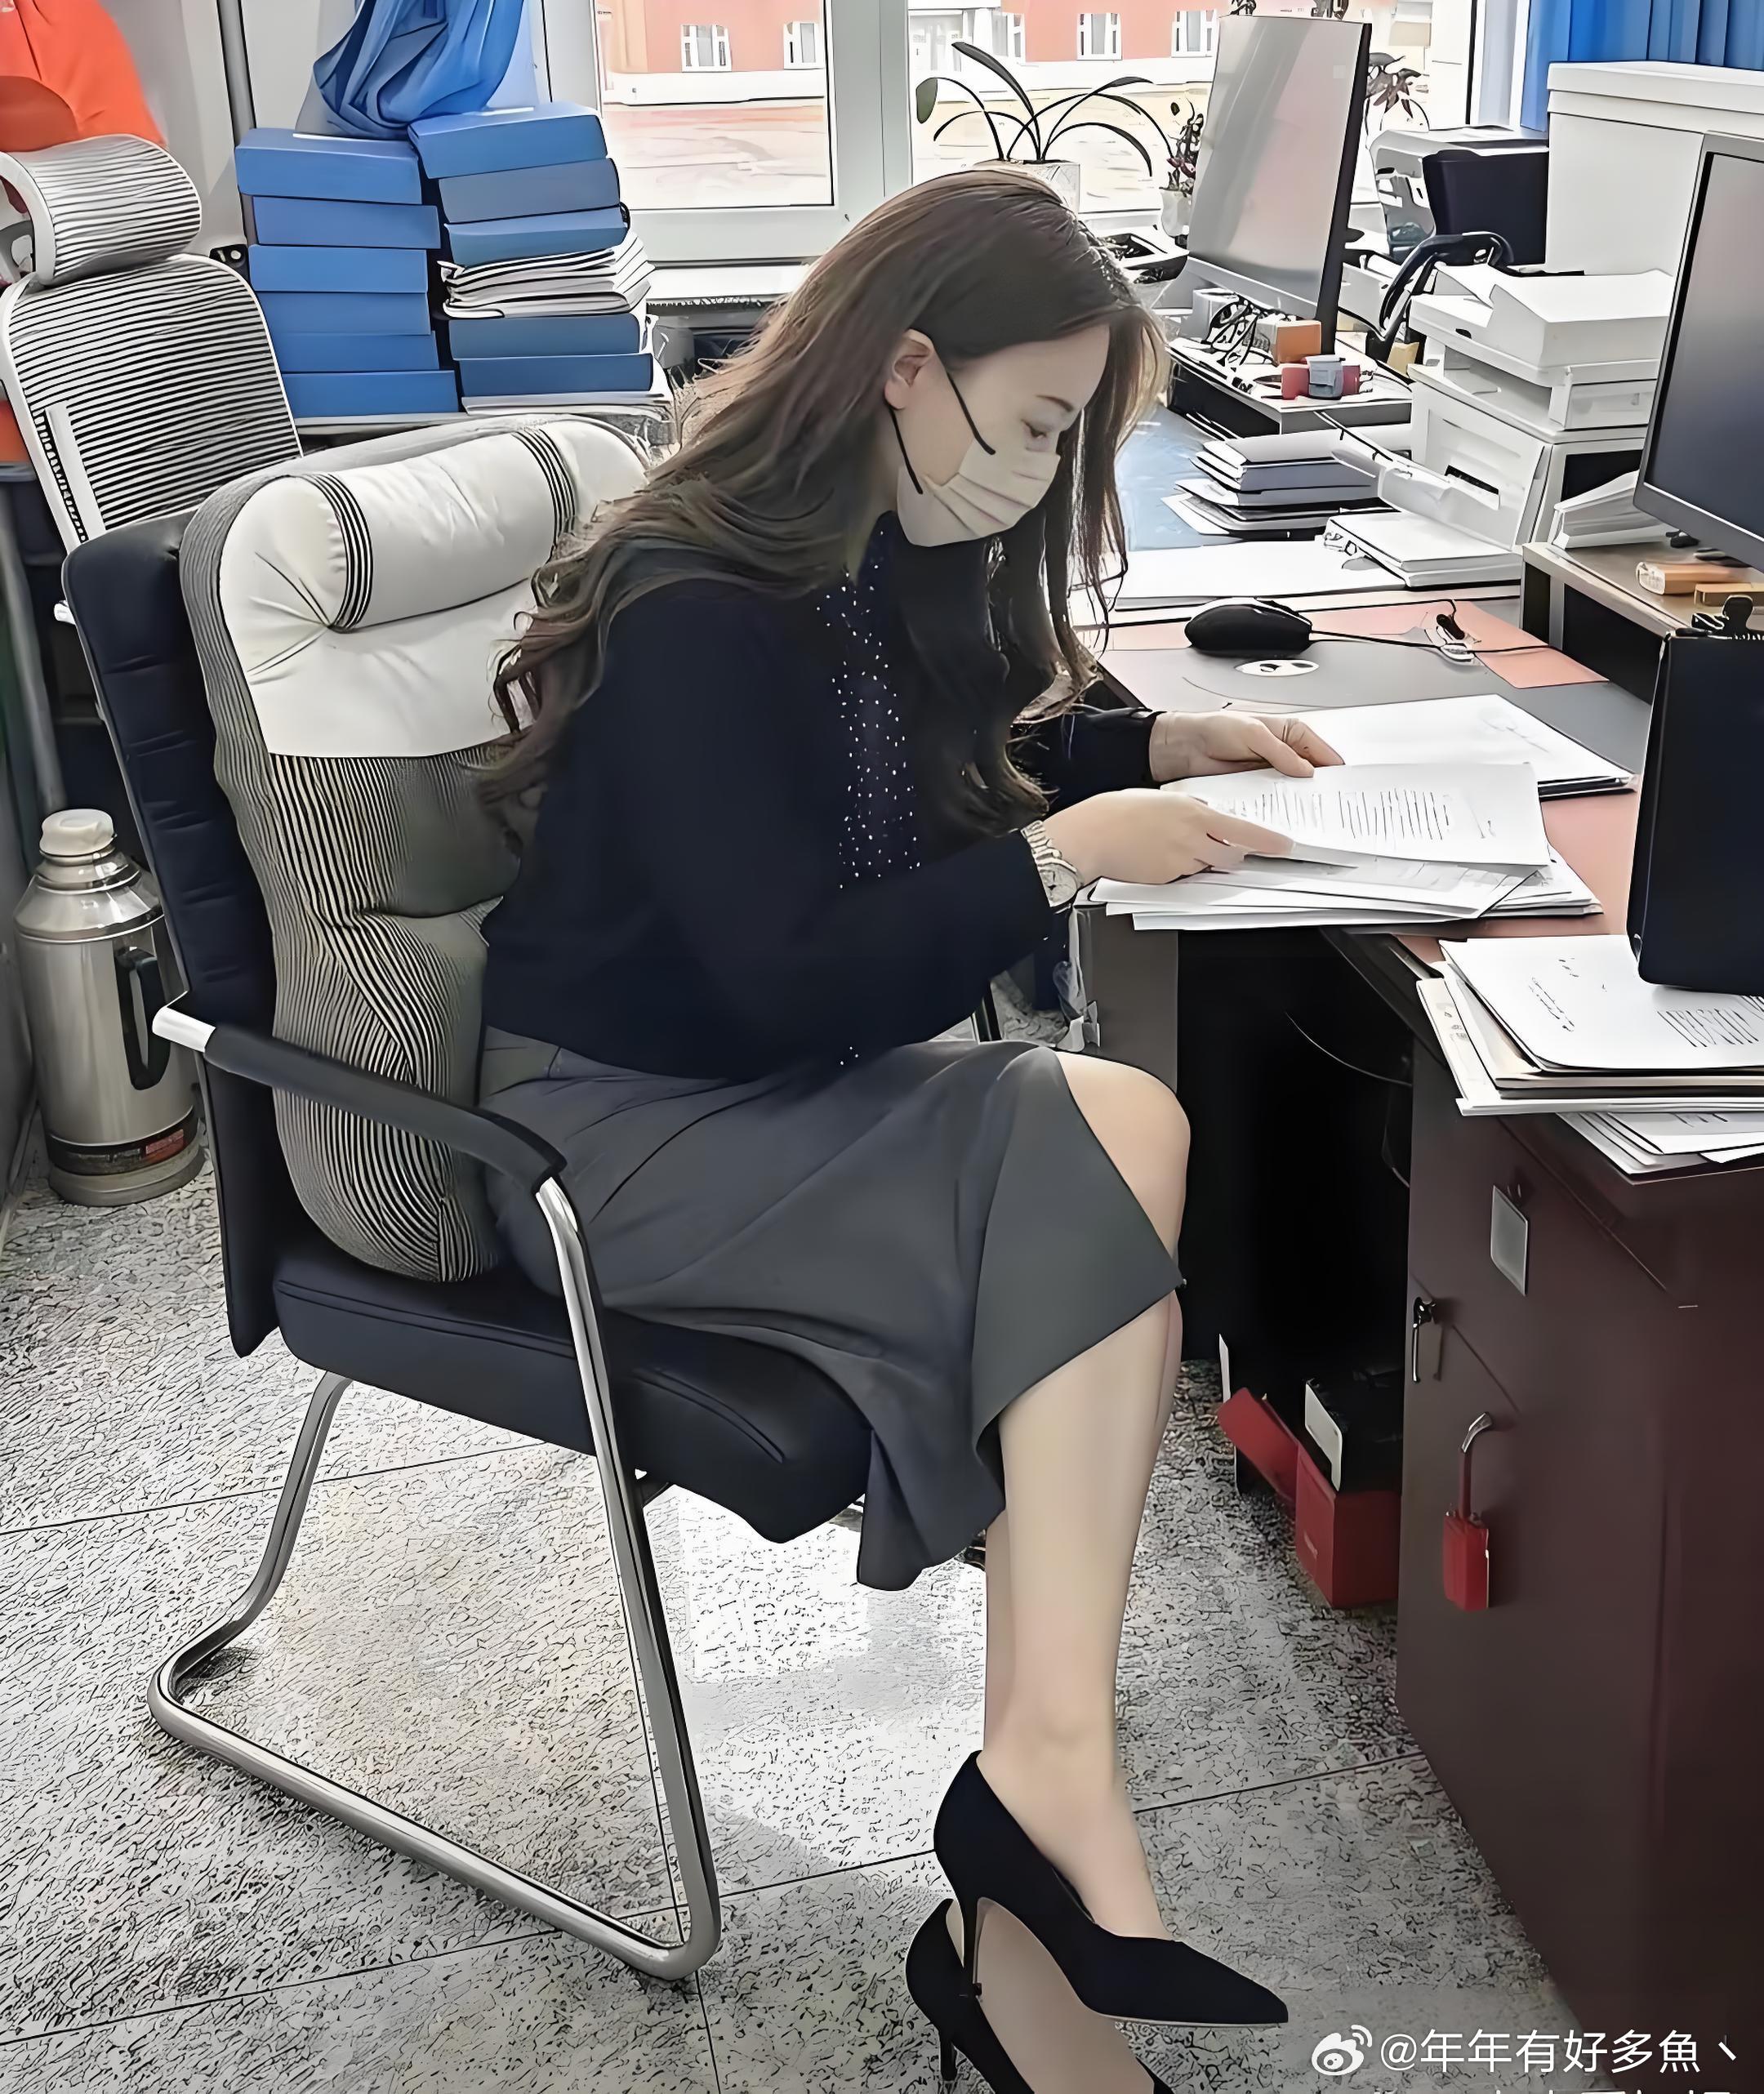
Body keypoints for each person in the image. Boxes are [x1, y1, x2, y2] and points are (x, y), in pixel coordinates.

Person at [478, 168, 1339, 2087]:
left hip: (765, 1086)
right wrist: (1059, 857)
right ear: (906, 366)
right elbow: (791, 971)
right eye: (1033, 426)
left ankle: (1037, 1811)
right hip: (615, 1140)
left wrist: (1139, 748)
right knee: (1099, 1163)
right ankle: (1034, 1841)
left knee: (1115, 1137)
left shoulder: (859, 548)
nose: (1035, 482)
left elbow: (914, 769)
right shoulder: (697, 603)